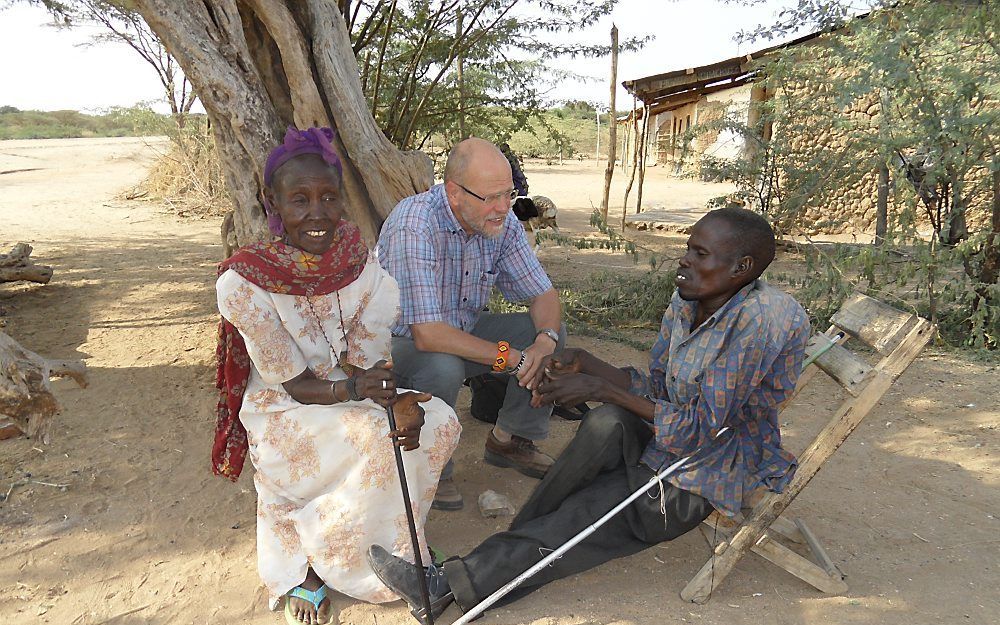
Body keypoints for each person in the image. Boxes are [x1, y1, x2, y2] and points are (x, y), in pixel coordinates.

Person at [367, 207, 811, 623]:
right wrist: (586, 363)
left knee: (588, 512)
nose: (684, 260)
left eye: (700, 254)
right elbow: (658, 387)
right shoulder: (690, 300)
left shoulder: (760, 322)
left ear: (742, 269)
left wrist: (600, 388)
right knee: (603, 423)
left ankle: (453, 586)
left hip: (704, 469)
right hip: (666, 444)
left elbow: (701, 431)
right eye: (688, 247)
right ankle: (511, 556)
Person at [214, 127, 461, 625]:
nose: (318, 213)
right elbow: (294, 383)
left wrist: (396, 398)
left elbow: (369, 361)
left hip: (351, 389)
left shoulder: (358, 263)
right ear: (273, 203)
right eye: (299, 200)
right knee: (375, 435)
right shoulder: (245, 281)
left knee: (438, 422)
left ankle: (390, 545)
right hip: (285, 406)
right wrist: (362, 393)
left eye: (329, 197)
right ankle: (315, 563)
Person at [376, 137, 565, 511]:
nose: (501, 209)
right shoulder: (414, 224)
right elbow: (426, 334)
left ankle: (510, 439)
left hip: (460, 334)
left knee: (546, 334)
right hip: (396, 345)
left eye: (507, 195)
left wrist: (544, 342)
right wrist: (511, 358)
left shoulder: (501, 221)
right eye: (491, 198)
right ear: (454, 192)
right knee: (441, 365)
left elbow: (544, 295)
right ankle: (433, 470)